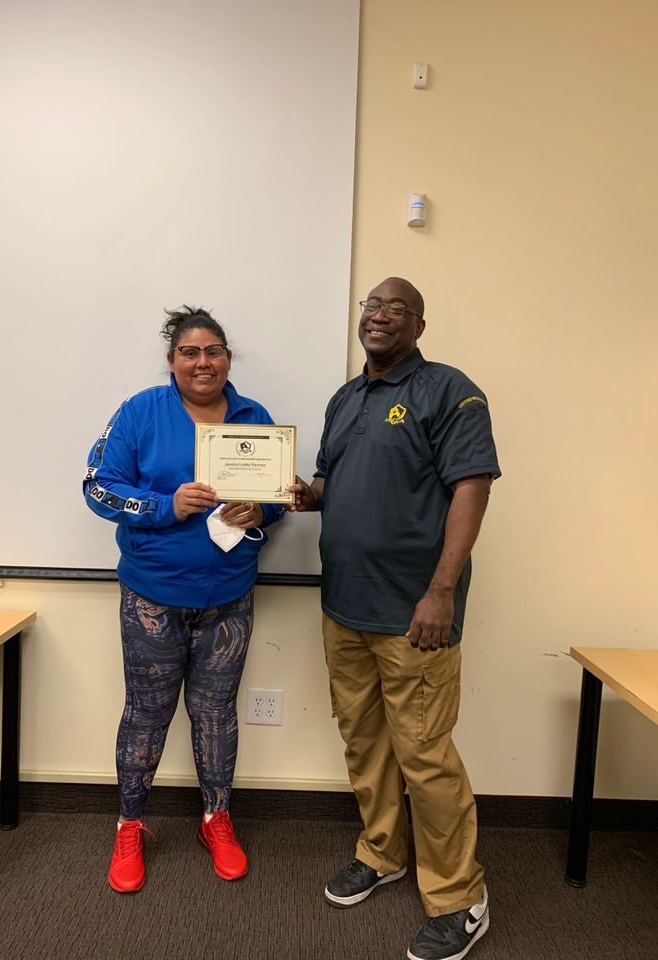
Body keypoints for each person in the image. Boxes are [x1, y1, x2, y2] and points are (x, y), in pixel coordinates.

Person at [288, 278, 500, 960]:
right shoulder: (345, 399)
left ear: (418, 324)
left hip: (414, 613)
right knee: (364, 742)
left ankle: (460, 898)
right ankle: (383, 852)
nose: (379, 316)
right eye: (371, 306)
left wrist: (441, 591)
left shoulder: (450, 391)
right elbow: (332, 482)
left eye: (395, 308)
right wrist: (302, 494)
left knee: (425, 756)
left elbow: (471, 488)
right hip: (343, 605)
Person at [84, 305, 283, 894]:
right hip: (153, 596)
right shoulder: (141, 411)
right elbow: (98, 487)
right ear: (172, 360)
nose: (203, 362)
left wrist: (262, 508)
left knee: (217, 714)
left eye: (214, 351)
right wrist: (166, 504)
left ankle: (216, 820)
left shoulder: (253, 415)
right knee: (146, 714)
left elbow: (272, 497)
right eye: (190, 352)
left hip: (229, 599)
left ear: (227, 358)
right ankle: (130, 825)